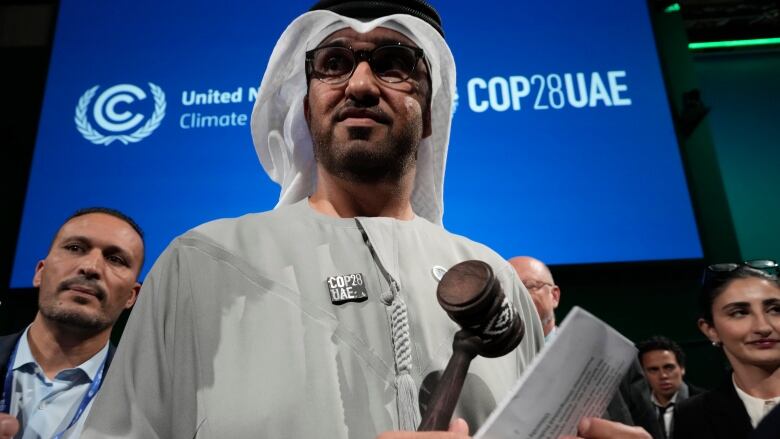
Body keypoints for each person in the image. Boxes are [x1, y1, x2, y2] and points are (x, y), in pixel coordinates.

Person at [0, 207, 144, 439]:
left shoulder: (149, 405)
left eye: (115, 259)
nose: (91, 267)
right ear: (40, 273)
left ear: (131, 296)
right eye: (75, 248)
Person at [673, 260, 780, 439]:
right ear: (711, 330)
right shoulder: (693, 416)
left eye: (775, 309)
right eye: (739, 313)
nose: (763, 327)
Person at [629, 336, 703, 439]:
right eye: (653, 369)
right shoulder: (636, 409)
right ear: (643, 374)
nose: (663, 375)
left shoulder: (706, 404)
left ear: (682, 368)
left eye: (669, 367)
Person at [508, 256, 560, 339]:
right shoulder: (486, 351)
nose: (518, 296)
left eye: (530, 286)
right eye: (509, 289)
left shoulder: (584, 349)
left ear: (554, 296)